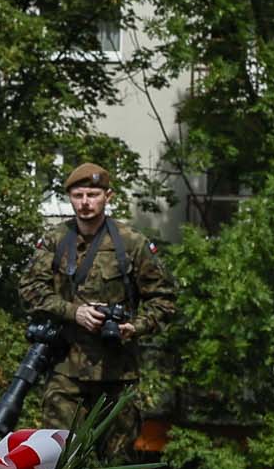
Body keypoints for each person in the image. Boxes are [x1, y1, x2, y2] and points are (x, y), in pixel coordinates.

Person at [25, 162, 176, 446]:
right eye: (78, 195)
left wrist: (136, 326)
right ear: (69, 197)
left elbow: (164, 299)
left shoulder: (131, 243)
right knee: (56, 458)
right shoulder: (56, 240)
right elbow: (30, 290)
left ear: (109, 196)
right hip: (65, 369)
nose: (85, 203)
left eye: (92, 194)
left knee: (117, 465)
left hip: (117, 371)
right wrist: (74, 312)